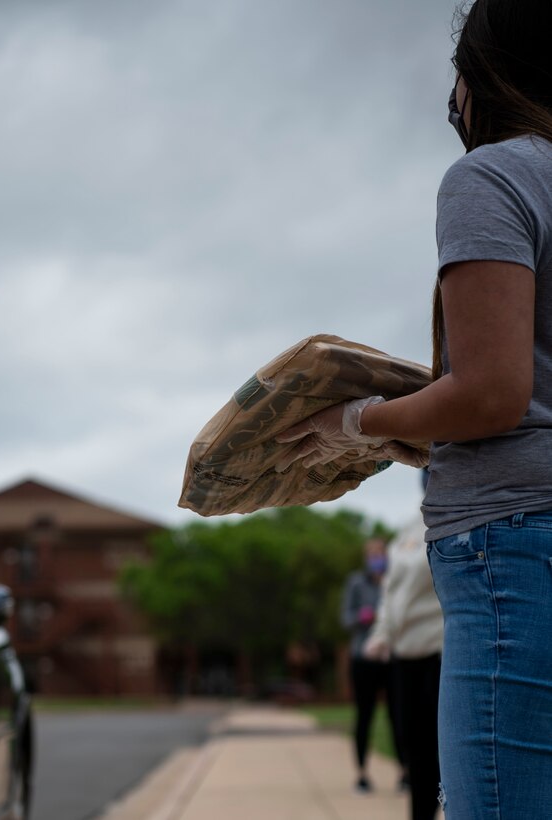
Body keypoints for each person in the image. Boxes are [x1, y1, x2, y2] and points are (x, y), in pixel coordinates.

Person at [276, 1, 552, 816]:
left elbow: (495, 394)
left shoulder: (493, 175)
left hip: (513, 547)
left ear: (484, 76)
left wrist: (356, 423)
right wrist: (428, 436)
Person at [364, 505, 443, 820]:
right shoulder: (405, 533)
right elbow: (390, 593)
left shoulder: (456, 518)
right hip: (403, 655)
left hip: (440, 648)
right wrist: (382, 633)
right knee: (413, 747)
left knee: (441, 747)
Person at [340, 537, 407, 794]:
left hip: (391, 657)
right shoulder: (356, 583)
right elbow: (345, 618)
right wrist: (365, 615)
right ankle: (361, 774)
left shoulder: (394, 580)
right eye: (372, 554)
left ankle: (404, 771)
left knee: (398, 716)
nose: (377, 558)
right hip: (363, 658)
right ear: (366, 557)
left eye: (380, 553)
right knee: (364, 716)